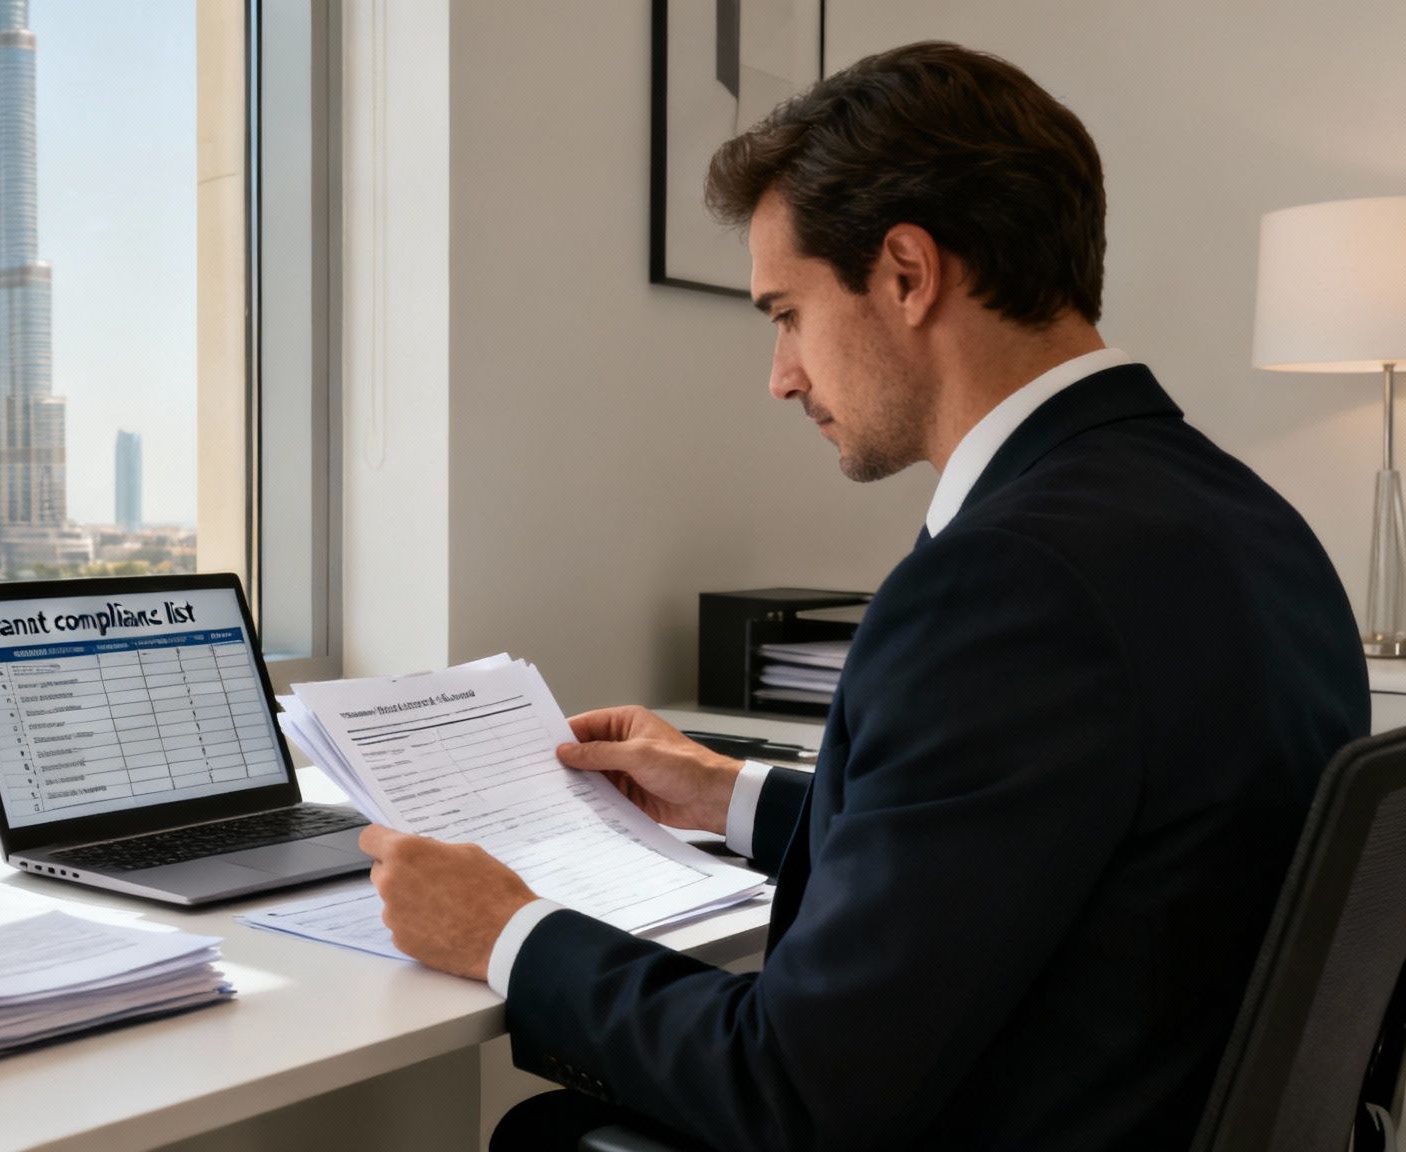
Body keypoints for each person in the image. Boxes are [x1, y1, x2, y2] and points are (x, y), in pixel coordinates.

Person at [356, 40, 1370, 1150]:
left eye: (785, 313)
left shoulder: (1006, 584)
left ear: (904, 272)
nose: (781, 374)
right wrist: (731, 795)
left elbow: (793, 1092)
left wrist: (505, 931)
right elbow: (1042, 841)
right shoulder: (1250, 525)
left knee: (554, 1138)